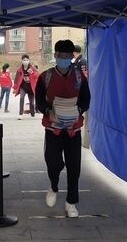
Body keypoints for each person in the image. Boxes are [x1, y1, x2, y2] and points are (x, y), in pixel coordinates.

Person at [35, 39, 90, 218]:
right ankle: (53, 186)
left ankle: (71, 202)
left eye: (68, 56)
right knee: (53, 162)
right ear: (55, 55)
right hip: (53, 129)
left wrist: (77, 110)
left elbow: (86, 99)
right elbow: (39, 100)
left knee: (74, 167)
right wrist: (48, 111)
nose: (64, 59)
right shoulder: (45, 77)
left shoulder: (80, 77)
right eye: (61, 55)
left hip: (73, 129)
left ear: (72, 57)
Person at [12, 54, 39, 119]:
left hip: (31, 87)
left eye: (26, 60)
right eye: (24, 60)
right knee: (21, 98)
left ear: (29, 60)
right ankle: (20, 114)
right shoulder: (19, 70)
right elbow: (16, 79)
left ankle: (32, 113)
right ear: (22, 61)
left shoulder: (32, 68)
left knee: (31, 102)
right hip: (23, 87)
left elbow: (37, 75)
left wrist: (32, 72)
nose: (25, 61)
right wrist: (15, 88)